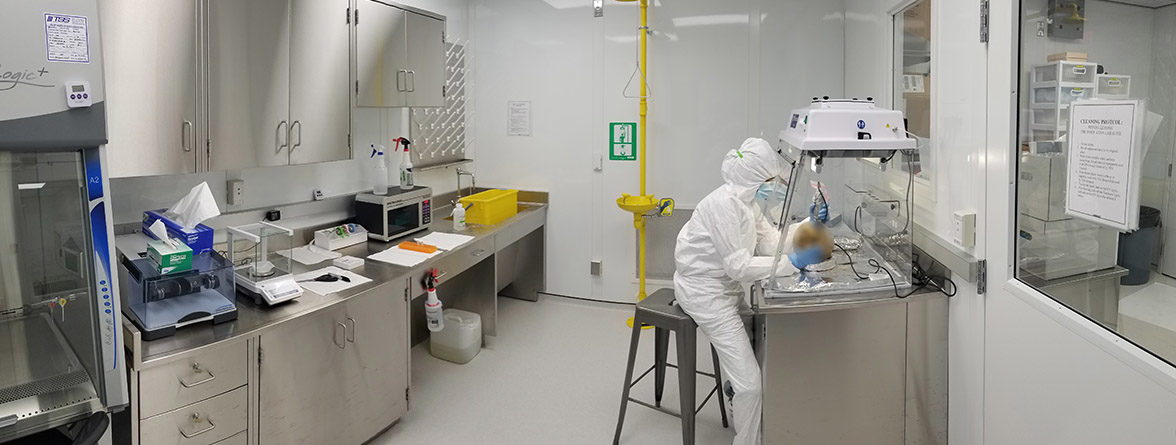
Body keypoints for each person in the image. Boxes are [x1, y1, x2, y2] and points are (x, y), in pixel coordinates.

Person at [672, 137, 826, 445]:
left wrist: (808, 225)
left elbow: (769, 240)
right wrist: (792, 263)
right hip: (705, 295)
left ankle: (734, 390)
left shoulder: (746, 203)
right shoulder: (724, 206)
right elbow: (739, 267)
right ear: (756, 178)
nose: (775, 185)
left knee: (759, 340)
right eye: (771, 179)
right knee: (752, 385)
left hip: (723, 290)